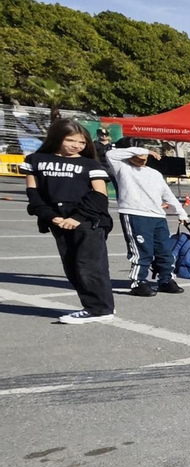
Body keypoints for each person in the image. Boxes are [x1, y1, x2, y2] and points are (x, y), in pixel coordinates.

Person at [23, 119, 116, 324]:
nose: (76, 145)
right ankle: (95, 305)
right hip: (56, 217)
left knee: (89, 265)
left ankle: (99, 308)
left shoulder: (90, 163)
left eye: (82, 142)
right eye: (70, 140)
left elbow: (100, 195)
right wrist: (48, 215)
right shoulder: (35, 160)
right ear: (57, 138)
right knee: (72, 265)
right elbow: (33, 191)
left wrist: (77, 218)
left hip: (87, 218)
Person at [105, 146, 189, 296]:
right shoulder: (122, 168)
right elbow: (111, 154)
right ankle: (139, 282)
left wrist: (180, 212)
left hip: (157, 216)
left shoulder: (154, 173)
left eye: (144, 156)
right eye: (138, 155)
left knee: (165, 250)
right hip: (134, 214)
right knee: (142, 251)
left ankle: (166, 280)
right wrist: (144, 150)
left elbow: (167, 194)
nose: (141, 158)